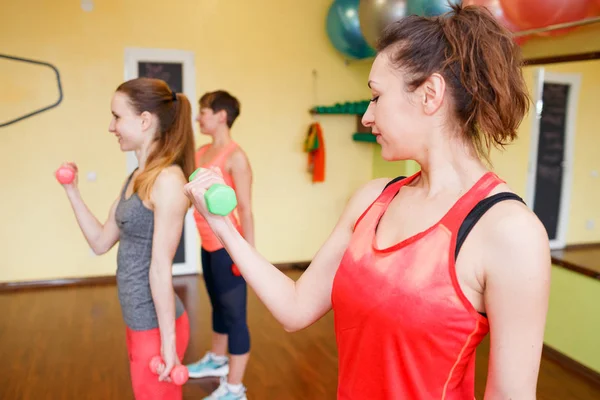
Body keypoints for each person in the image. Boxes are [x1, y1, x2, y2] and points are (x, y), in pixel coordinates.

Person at [184, 4, 552, 399]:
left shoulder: (509, 231)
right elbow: (294, 308)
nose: (366, 117)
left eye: (375, 97)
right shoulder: (372, 199)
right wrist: (222, 225)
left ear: (430, 94)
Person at [57, 77, 195, 399]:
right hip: (137, 319)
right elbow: (101, 241)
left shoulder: (168, 181)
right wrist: (72, 191)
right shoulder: (136, 177)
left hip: (154, 326)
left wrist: (168, 344)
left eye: (117, 116)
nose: (111, 126)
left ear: (144, 120)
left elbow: (161, 269)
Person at [185, 90, 253, 400]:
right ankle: (216, 359)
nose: (199, 118)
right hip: (207, 244)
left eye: (203, 112)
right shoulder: (201, 153)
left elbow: (247, 210)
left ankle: (235, 389)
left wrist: (248, 258)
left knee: (235, 315)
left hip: (228, 247)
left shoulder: (236, 157)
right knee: (217, 305)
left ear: (221, 116)